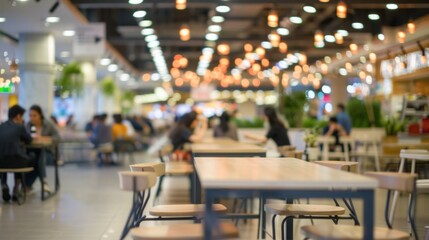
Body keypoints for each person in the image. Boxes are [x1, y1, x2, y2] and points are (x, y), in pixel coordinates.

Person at [0, 105, 34, 202]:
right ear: (18, 116)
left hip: (0, 163)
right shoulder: (19, 127)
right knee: (27, 156)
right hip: (17, 162)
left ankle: (4, 184)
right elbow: (29, 140)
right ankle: (16, 188)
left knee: (5, 154)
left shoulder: (1, 126)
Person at [26, 105, 61, 193]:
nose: (32, 118)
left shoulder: (48, 124)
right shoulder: (28, 125)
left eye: (34, 115)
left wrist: (43, 138)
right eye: (30, 115)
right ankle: (27, 185)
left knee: (39, 156)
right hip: (32, 152)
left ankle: (41, 182)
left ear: (40, 115)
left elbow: (58, 138)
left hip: (48, 153)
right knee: (33, 159)